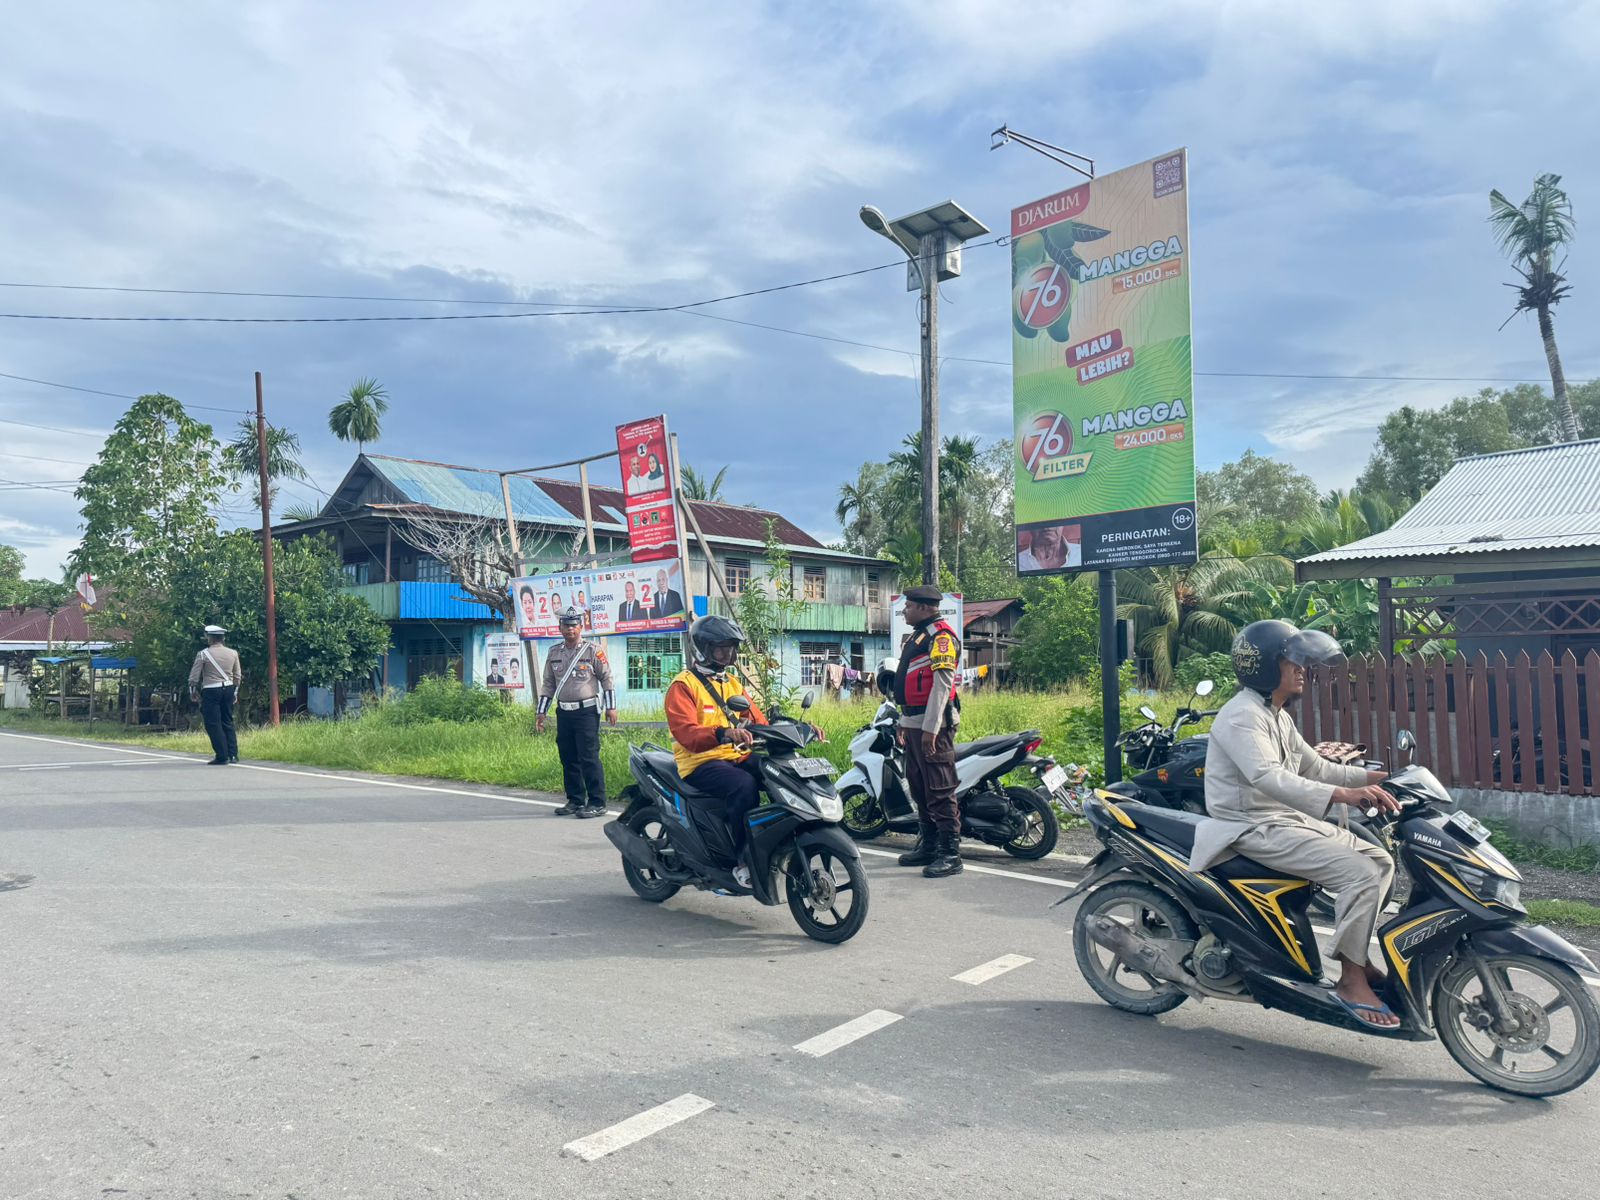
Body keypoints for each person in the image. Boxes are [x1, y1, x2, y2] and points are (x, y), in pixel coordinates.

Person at [1190, 620, 1401, 1028]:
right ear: (1267, 667)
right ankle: (1350, 980)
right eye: (1294, 662)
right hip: (1249, 827)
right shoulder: (1241, 717)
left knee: (1380, 861)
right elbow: (1269, 777)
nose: (1303, 669)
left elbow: (1315, 766)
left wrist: (1375, 779)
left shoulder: (1277, 716)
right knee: (1359, 874)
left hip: (1284, 821)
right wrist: (1343, 796)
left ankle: (1358, 958)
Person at [663, 615, 767, 888]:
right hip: (700, 762)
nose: (728, 653)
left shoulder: (732, 683)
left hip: (735, 756)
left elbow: (758, 720)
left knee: (774, 770)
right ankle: (742, 858)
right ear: (703, 648)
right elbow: (686, 734)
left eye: (731, 647)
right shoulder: (683, 685)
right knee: (743, 785)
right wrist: (723, 733)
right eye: (721, 647)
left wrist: (801, 728)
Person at [891, 585, 964, 877]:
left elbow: (941, 687)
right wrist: (903, 723)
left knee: (940, 789)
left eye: (908, 606)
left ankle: (950, 854)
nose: (905, 610)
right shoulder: (919, 636)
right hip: (914, 724)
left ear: (924, 607)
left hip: (934, 726)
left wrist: (931, 730)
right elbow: (910, 684)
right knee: (920, 788)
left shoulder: (941, 637)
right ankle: (929, 846)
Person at [536, 608, 618, 817]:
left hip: (587, 712)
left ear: (580, 627)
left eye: (574, 625)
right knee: (568, 756)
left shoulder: (593, 650)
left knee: (589, 756)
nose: (570, 629)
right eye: (566, 625)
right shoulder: (554, 652)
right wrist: (541, 712)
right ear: (560, 628)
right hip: (564, 712)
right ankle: (575, 800)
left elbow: (606, 678)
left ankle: (597, 802)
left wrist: (611, 707)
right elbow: (548, 683)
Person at [188, 624, 242, 766]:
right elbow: (237, 676)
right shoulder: (233, 653)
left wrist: (193, 691)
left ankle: (221, 755)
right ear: (222, 638)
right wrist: (235, 692)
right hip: (229, 688)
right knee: (228, 721)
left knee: (213, 723)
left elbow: (194, 676)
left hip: (211, 690)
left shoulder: (203, 654)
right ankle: (233, 755)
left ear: (210, 638)